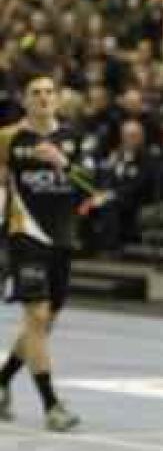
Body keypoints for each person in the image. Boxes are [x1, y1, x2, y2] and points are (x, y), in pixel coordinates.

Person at [0, 76, 86, 431]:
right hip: (26, 235)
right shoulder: (8, 138)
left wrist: (63, 164)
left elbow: (93, 186)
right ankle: (51, 405)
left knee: (45, 322)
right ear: (25, 101)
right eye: (35, 93)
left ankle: (2, 379)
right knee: (35, 316)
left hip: (62, 239)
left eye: (49, 92)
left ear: (58, 100)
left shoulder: (73, 138)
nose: (43, 98)